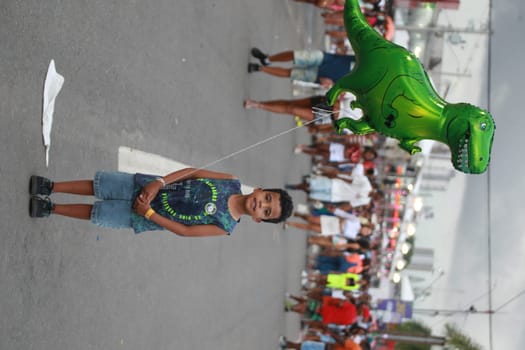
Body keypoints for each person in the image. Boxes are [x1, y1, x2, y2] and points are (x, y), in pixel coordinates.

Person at [28, 168, 294, 236]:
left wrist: (149, 213)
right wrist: (159, 182)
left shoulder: (226, 225)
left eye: (267, 211)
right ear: (259, 189)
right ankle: (52, 186)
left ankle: (52, 208)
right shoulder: (231, 181)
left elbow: (186, 231)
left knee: (98, 211)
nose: (261, 204)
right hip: (147, 187)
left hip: (147, 214)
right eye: (266, 198)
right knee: (100, 186)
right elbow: (194, 172)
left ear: (260, 219)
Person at [248, 48, 355, 89]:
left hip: (327, 77)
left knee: (291, 73)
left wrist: (331, 85)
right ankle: (267, 59)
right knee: (296, 55)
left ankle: (260, 68)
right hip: (329, 59)